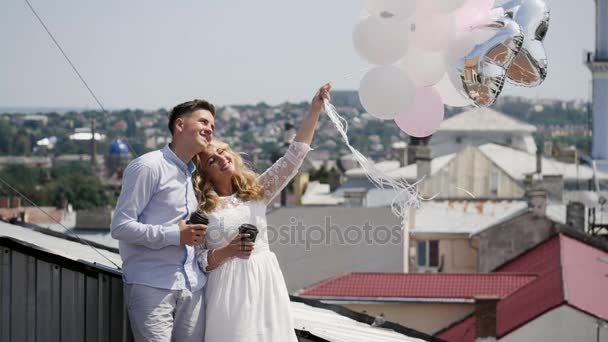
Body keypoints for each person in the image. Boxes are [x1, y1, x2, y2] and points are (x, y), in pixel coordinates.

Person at [193, 83, 331, 341]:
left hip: (265, 279)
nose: (222, 159)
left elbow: (294, 156)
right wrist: (229, 250)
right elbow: (197, 261)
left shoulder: (257, 190)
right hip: (226, 288)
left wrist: (314, 110)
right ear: (205, 175)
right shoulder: (201, 207)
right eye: (212, 160)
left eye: (222, 152)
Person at [111, 99, 215, 341]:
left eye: (212, 125)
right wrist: (176, 235)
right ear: (179, 125)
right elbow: (121, 226)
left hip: (193, 287)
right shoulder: (148, 166)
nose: (210, 129)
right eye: (203, 121)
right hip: (152, 286)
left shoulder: (193, 176)